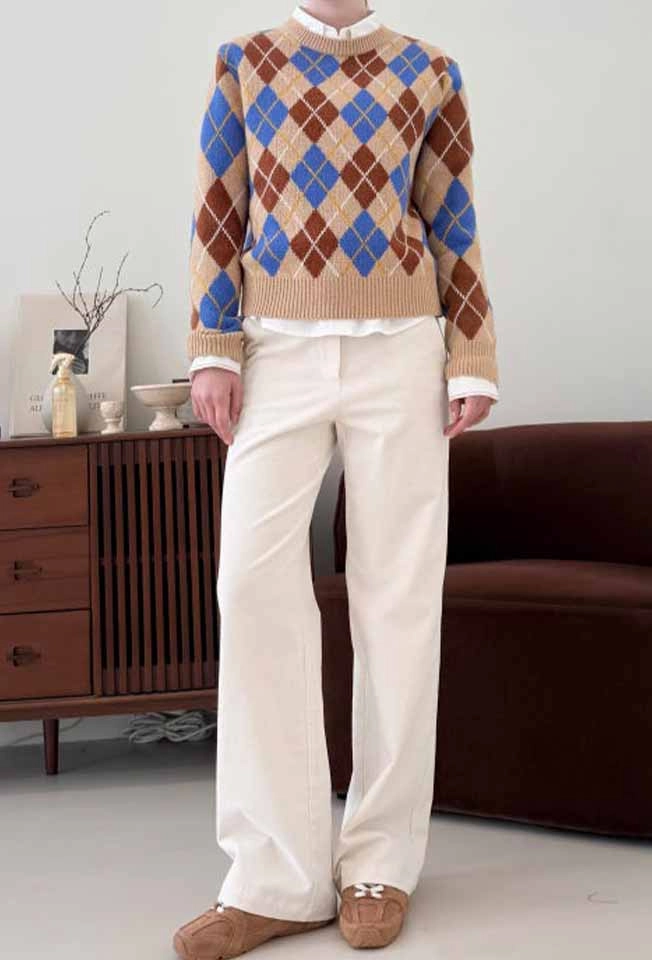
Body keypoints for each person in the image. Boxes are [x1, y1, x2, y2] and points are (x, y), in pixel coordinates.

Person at [174, 2, 499, 956]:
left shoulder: (429, 69)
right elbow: (216, 211)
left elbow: (454, 216)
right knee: (250, 583)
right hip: (274, 349)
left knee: (397, 597)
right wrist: (212, 347)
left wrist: (472, 354)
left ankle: (379, 866)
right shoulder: (244, 62)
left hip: (402, 351)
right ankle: (275, 878)